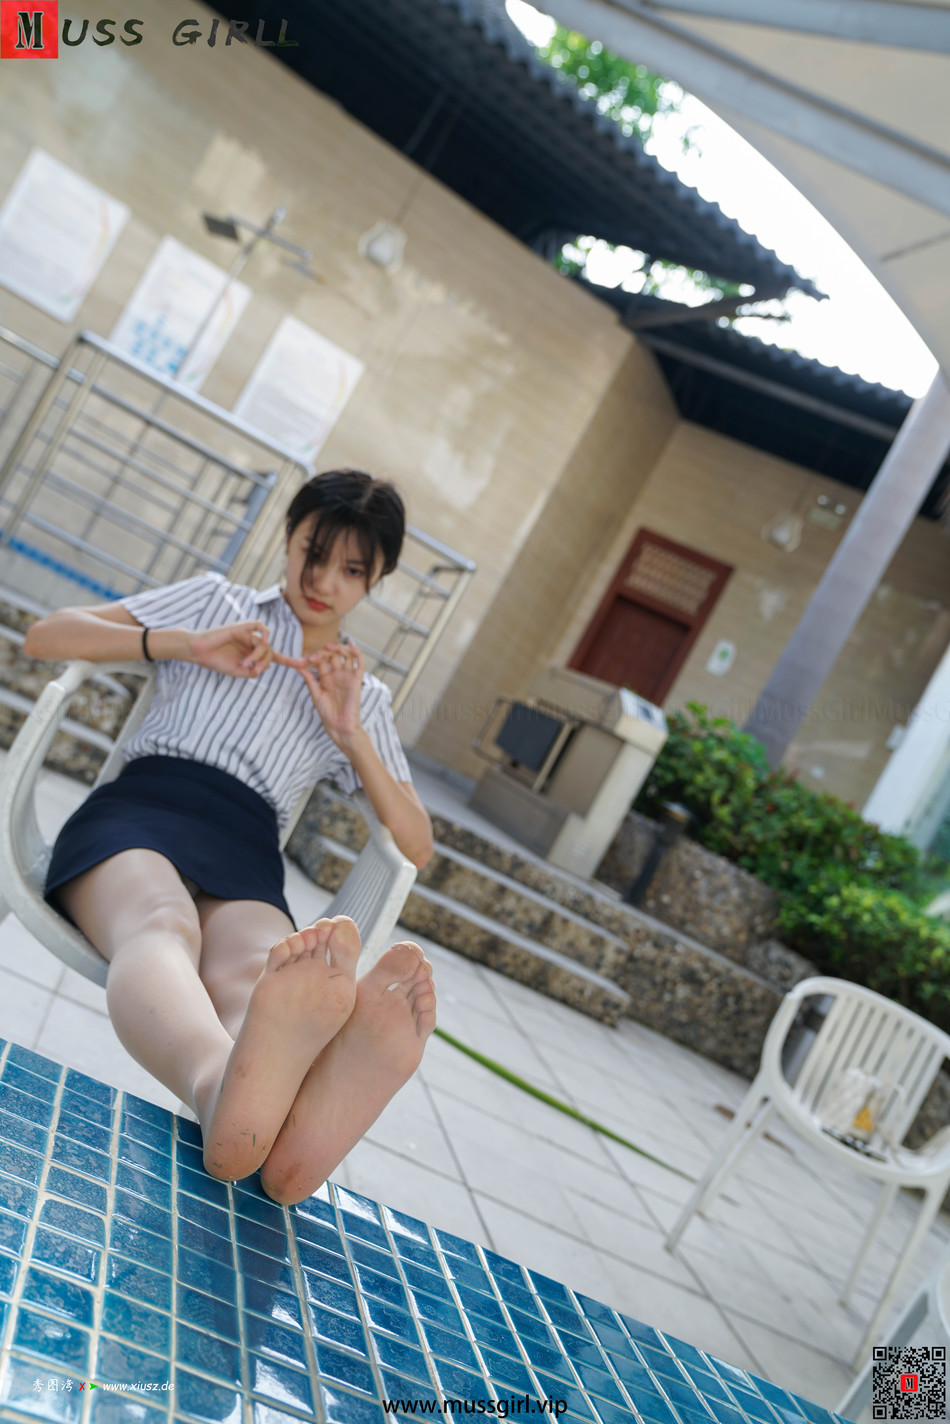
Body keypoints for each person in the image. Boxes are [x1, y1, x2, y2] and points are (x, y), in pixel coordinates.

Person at [23, 467, 437, 1206]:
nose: (324, 583)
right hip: (141, 811)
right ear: (289, 535)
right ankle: (221, 1089)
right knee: (162, 922)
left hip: (246, 848)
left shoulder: (360, 694)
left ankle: (284, 1134)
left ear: (376, 580)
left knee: (260, 974)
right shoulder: (215, 602)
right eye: (314, 553)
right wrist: (184, 644)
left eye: (352, 571)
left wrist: (350, 734)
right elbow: (45, 635)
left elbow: (417, 844)